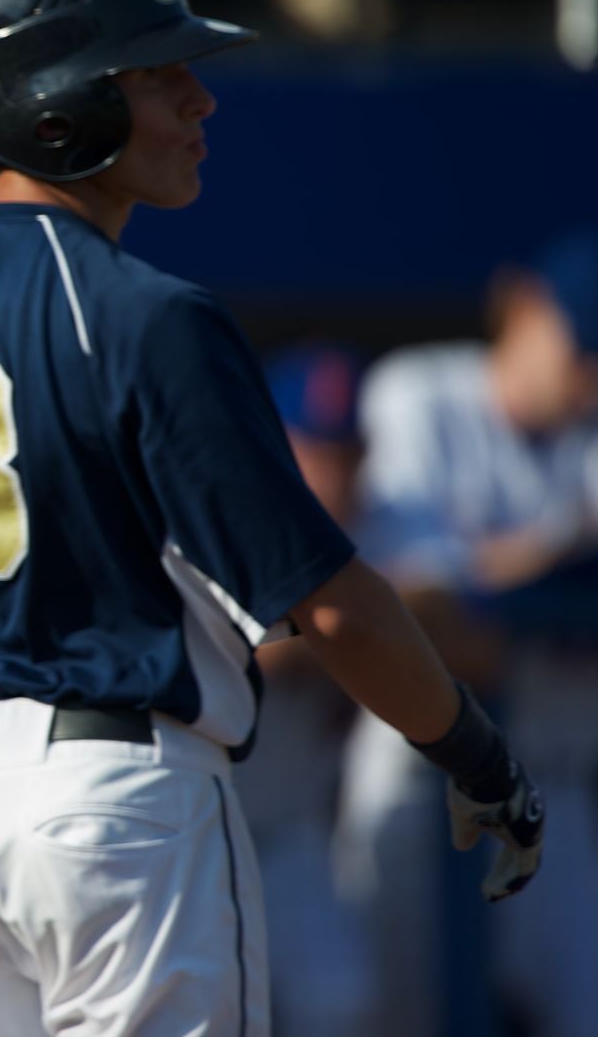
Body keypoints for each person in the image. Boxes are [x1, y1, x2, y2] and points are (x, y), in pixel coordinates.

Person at [0, 0, 546, 1037]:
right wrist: (475, 756)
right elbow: (331, 604)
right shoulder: (147, 314)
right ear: (55, 105)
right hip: (119, 806)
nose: (200, 101)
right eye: (157, 75)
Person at [344, 231, 598, 1037]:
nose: (594, 376)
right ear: (525, 310)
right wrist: (578, 543)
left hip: (559, 789)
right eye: (582, 348)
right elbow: (414, 592)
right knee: (404, 1019)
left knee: (591, 1020)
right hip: (424, 777)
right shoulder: (419, 393)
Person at [232, 347, 375, 1037]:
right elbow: (259, 657)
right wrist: (349, 638)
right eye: (314, 449)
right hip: (197, 832)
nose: (331, 472)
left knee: (339, 1002)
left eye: (343, 452)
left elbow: (462, 626)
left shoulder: (368, 533)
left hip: (291, 839)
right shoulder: (225, 518)